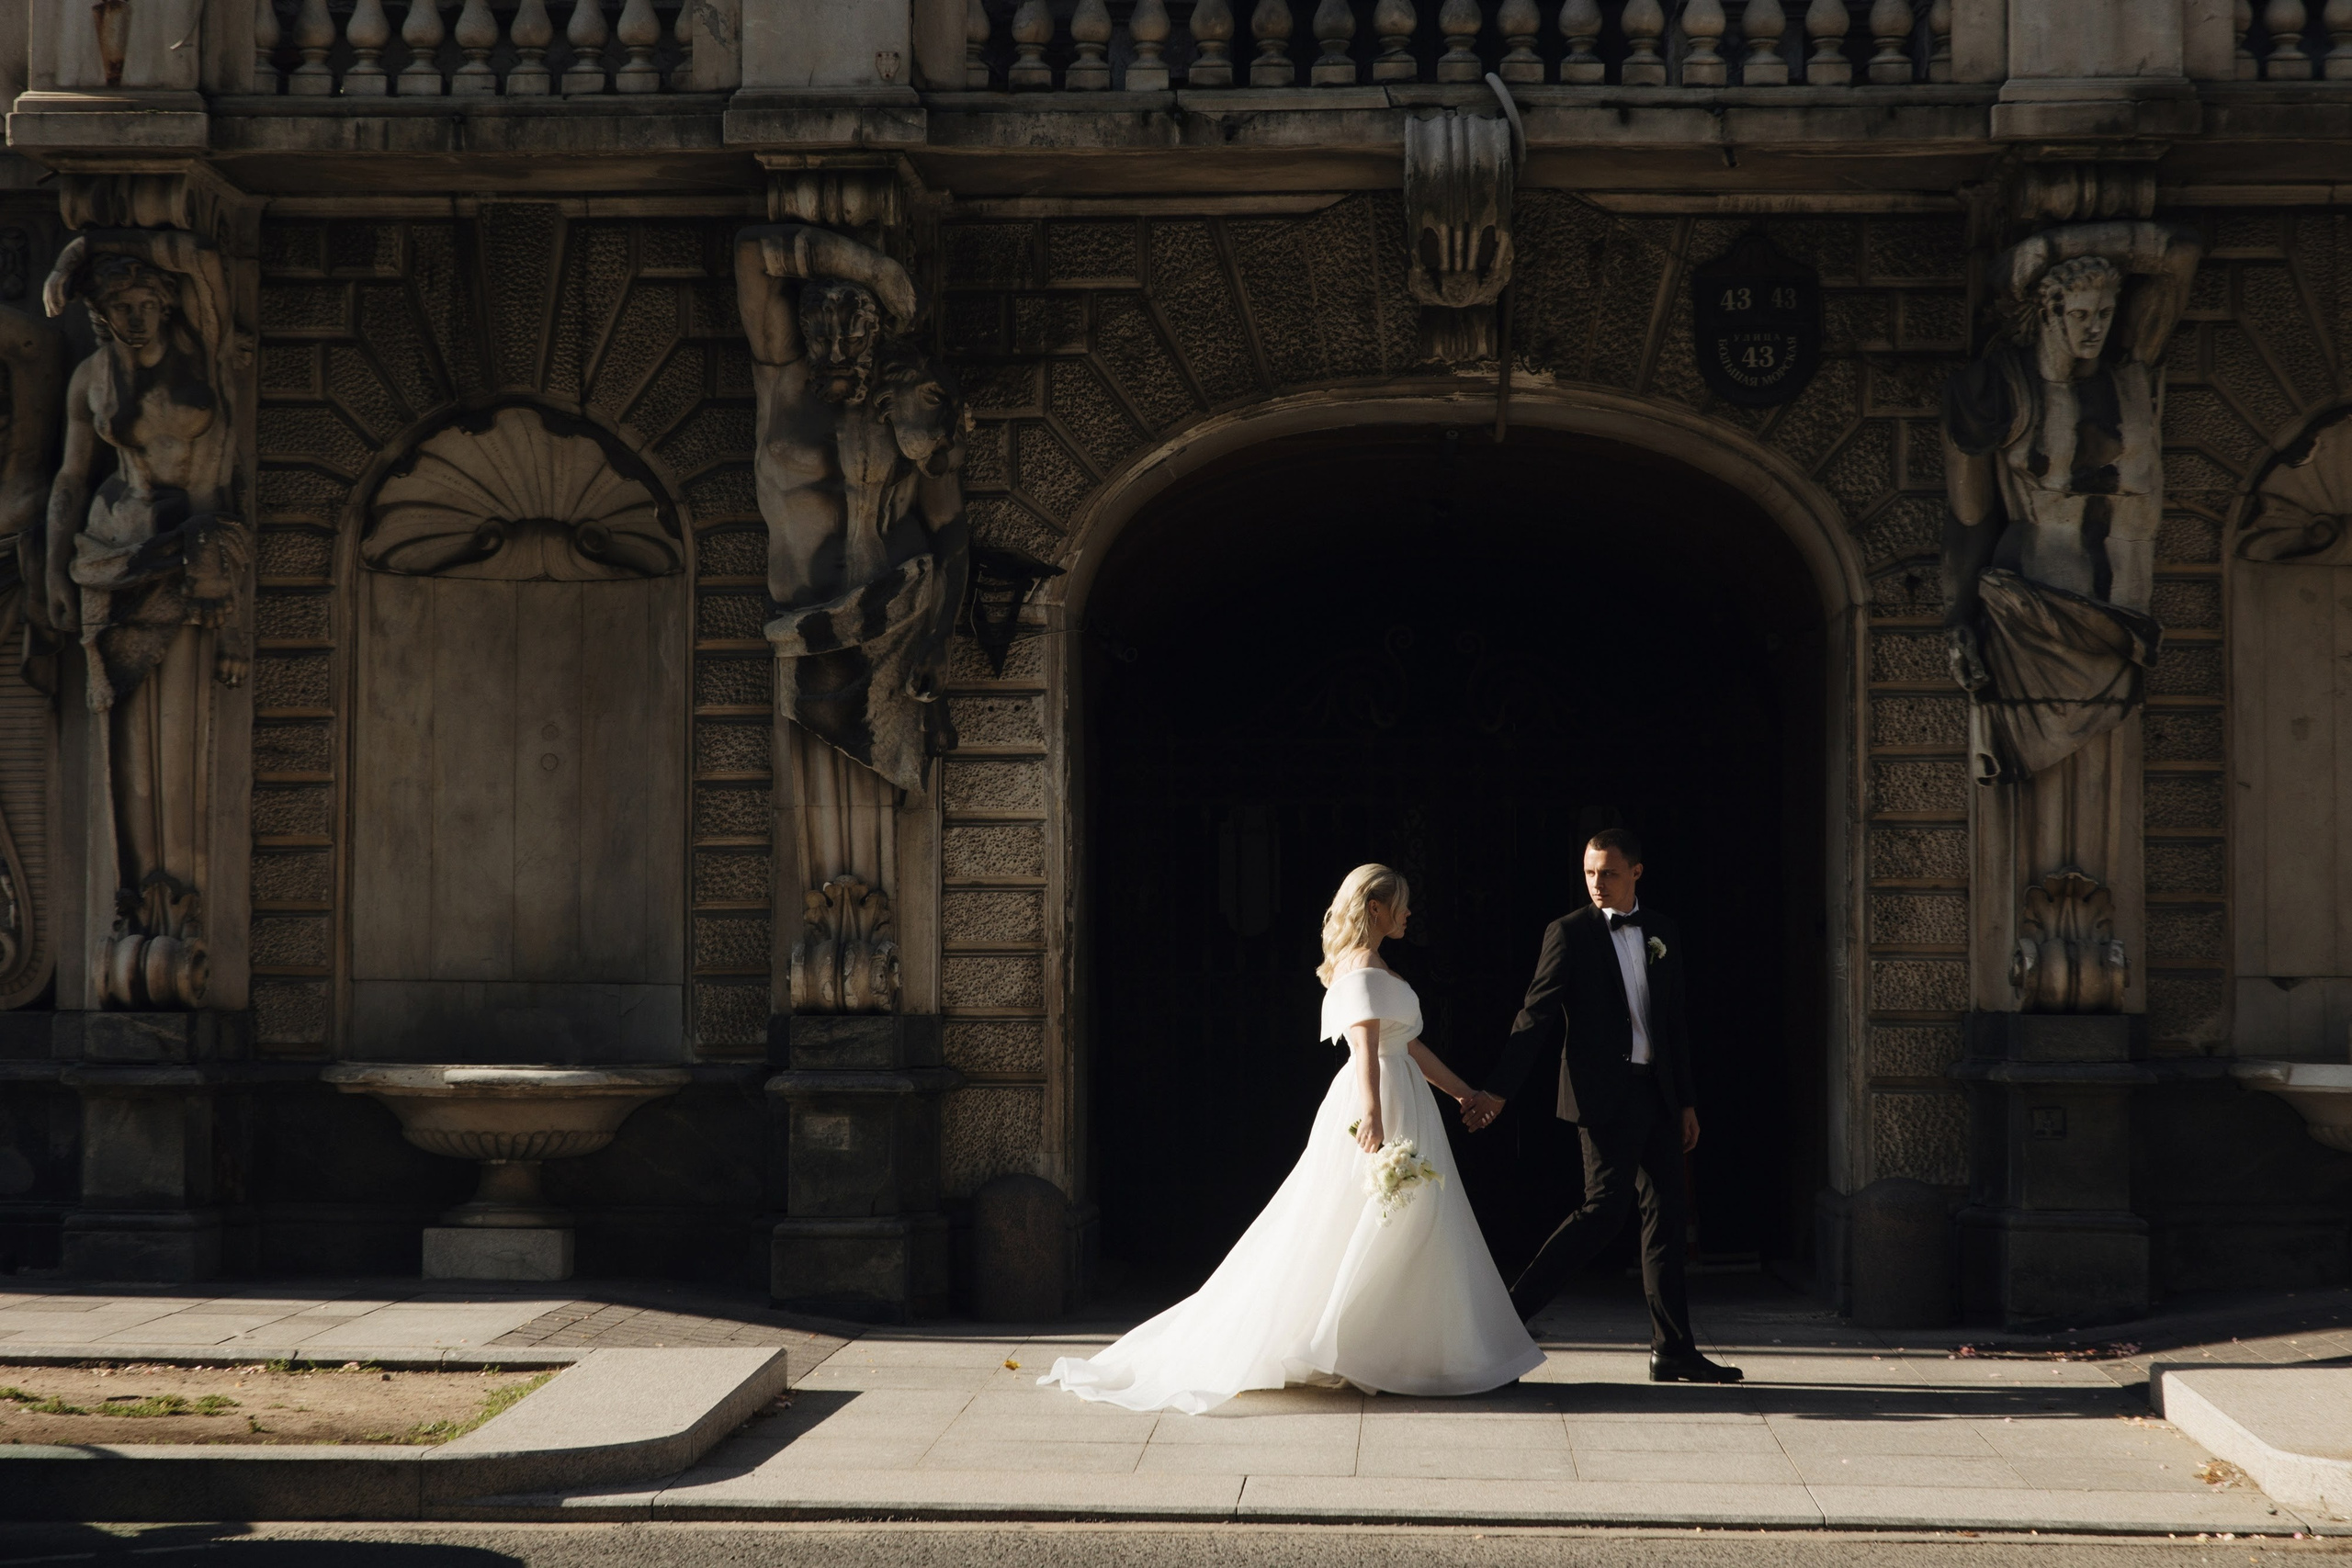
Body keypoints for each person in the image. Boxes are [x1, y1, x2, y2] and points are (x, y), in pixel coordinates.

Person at [1041, 863, 1544, 1414]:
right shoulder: (1359, 970)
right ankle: (1372, 1347)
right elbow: (1363, 1047)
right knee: (1370, 1218)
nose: (1408, 912)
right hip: (1379, 1100)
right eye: (1400, 903)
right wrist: (1374, 1115)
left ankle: (1402, 1349)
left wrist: (1464, 1094)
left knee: (1411, 1221)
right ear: (1375, 908)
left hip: (1406, 1097)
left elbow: (1411, 1047)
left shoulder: (1378, 967)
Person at [1461, 829, 1742, 1385]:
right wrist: (1498, 1090)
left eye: (1608, 873)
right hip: (1603, 1097)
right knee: (1603, 1212)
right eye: (1590, 873)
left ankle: (1673, 1350)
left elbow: (1674, 1024)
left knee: (1667, 1212)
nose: (1597, 884)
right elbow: (1534, 1016)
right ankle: (1504, 1321)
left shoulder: (1662, 931)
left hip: (1657, 1094)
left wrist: (1685, 1100)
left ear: (1636, 871)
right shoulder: (1568, 934)